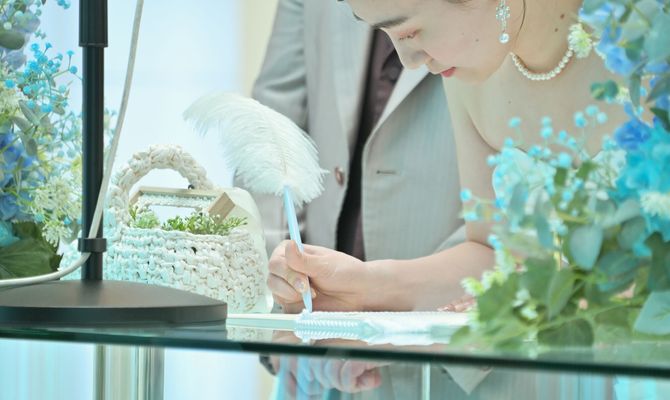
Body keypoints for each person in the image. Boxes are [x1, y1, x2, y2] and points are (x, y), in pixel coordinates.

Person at [267, 0, 628, 314]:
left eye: (410, 32)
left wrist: (554, 305)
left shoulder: (643, 44)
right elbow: (491, 251)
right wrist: (365, 285)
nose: (409, 61)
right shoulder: (470, 74)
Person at [245, 0, 465, 313]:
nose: (409, 58)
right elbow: (276, 113)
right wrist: (278, 292)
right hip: (314, 291)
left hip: (443, 300)